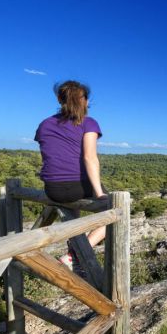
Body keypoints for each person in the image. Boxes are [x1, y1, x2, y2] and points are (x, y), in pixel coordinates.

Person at [34, 80, 107, 272]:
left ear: (60, 100)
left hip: (52, 189)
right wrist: (99, 194)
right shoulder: (88, 123)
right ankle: (75, 256)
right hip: (76, 185)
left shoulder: (44, 124)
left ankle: (75, 254)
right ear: (85, 101)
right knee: (115, 213)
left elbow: (50, 154)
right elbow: (90, 157)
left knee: (74, 219)